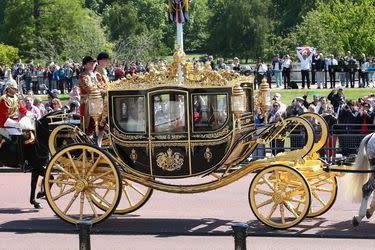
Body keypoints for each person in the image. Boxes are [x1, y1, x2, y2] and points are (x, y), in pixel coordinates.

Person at [0, 77, 36, 171]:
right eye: (14, 88)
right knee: (20, 135)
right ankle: (21, 162)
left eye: (16, 88)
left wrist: (31, 114)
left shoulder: (17, 97)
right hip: (5, 124)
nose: (16, 90)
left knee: (29, 133)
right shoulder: (3, 99)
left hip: (15, 123)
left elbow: (22, 110)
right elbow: (3, 117)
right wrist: (16, 125)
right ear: (8, 88)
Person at [79, 56, 106, 135]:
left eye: (93, 63)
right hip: (88, 103)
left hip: (99, 101)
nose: (93, 64)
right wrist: (102, 90)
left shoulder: (97, 75)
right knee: (88, 124)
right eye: (90, 63)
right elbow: (90, 89)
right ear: (85, 65)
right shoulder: (83, 76)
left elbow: (103, 85)